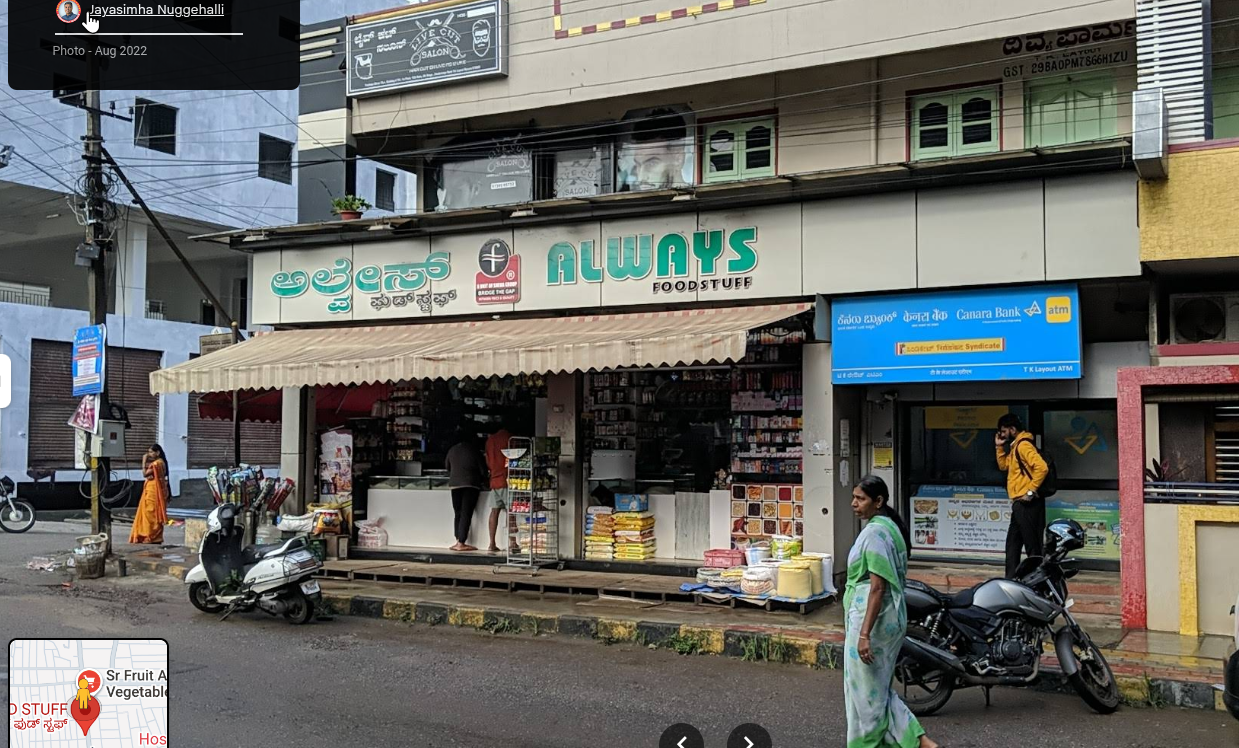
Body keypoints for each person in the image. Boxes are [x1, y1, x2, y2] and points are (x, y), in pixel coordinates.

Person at [844, 475, 938, 748]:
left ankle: (882, 743)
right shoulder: (890, 528)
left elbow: (877, 587)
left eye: (860, 498)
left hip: (872, 621)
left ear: (878, 501)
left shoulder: (875, 533)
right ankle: (921, 742)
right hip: (887, 619)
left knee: (865, 695)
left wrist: (864, 635)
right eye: (854, 497)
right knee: (876, 690)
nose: (854, 504)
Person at [995, 414, 1049, 579]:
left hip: (1028, 504)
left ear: (1012, 429)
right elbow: (1004, 466)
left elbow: (1042, 468)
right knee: (1012, 544)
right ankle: (1010, 579)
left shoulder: (1023, 446)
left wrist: (1030, 492)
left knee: (1032, 547)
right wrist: (999, 447)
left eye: (1004, 431)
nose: (1002, 435)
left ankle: (1038, 580)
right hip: (1019, 504)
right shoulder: (1015, 446)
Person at [444, 429, 487, 552]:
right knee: (466, 513)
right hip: (470, 485)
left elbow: (447, 467)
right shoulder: (474, 450)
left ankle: (457, 539)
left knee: (458, 512)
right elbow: (483, 470)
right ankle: (461, 543)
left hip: (455, 485)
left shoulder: (452, 450)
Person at [483, 423, 515, 554]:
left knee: (494, 511)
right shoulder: (510, 438)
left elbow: (487, 459)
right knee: (511, 512)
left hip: (494, 480)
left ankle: (492, 543)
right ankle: (512, 542)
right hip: (506, 479)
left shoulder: (490, 440)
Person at [129, 444, 169, 544]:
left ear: (157, 452)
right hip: (156, 489)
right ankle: (155, 537)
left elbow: (145, 474)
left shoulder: (156, 464)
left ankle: (149, 536)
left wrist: (144, 462)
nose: (149, 454)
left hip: (153, 491)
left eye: (151, 452)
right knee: (154, 513)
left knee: (150, 513)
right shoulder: (162, 462)